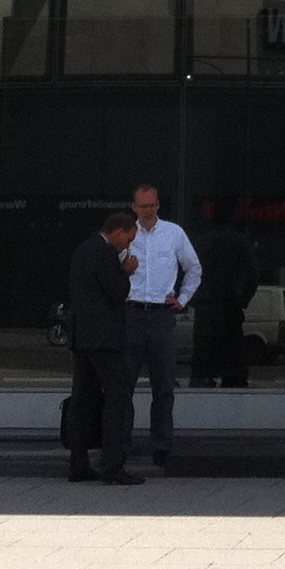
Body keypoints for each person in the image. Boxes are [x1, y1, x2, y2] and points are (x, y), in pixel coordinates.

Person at [116, 182, 202, 471]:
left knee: (164, 385)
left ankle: (162, 446)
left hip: (161, 315)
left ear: (158, 205)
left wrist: (183, 299)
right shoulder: (126, 235)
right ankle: (120, 446)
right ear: (134, 207)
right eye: (143, 206)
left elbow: (194, 268)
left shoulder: (173, 233)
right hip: (131, 313)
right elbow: (109, 270)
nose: (148, 210)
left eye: (152, 205)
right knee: (123, 384)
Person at [65, 210, 143, 485]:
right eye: (128, 239)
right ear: (119, 231)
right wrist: (126, 272)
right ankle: (112, 465)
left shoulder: (83, 250)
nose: (127, 245)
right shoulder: (107, 253)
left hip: (82, 336)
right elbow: (116, 292)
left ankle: (78, 463)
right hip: (105, 340)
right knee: (117, 398)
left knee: (82, 400)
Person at [190, 216, 260, 389]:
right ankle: (232, 385)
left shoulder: (201, 243)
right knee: (233, 362)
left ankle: (202, 382)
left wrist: (193, 298)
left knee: (203, 360)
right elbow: (253, 275)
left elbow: (187, 271)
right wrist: (243, 299)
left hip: (206, 306)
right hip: (230, 305)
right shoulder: (240, 242)